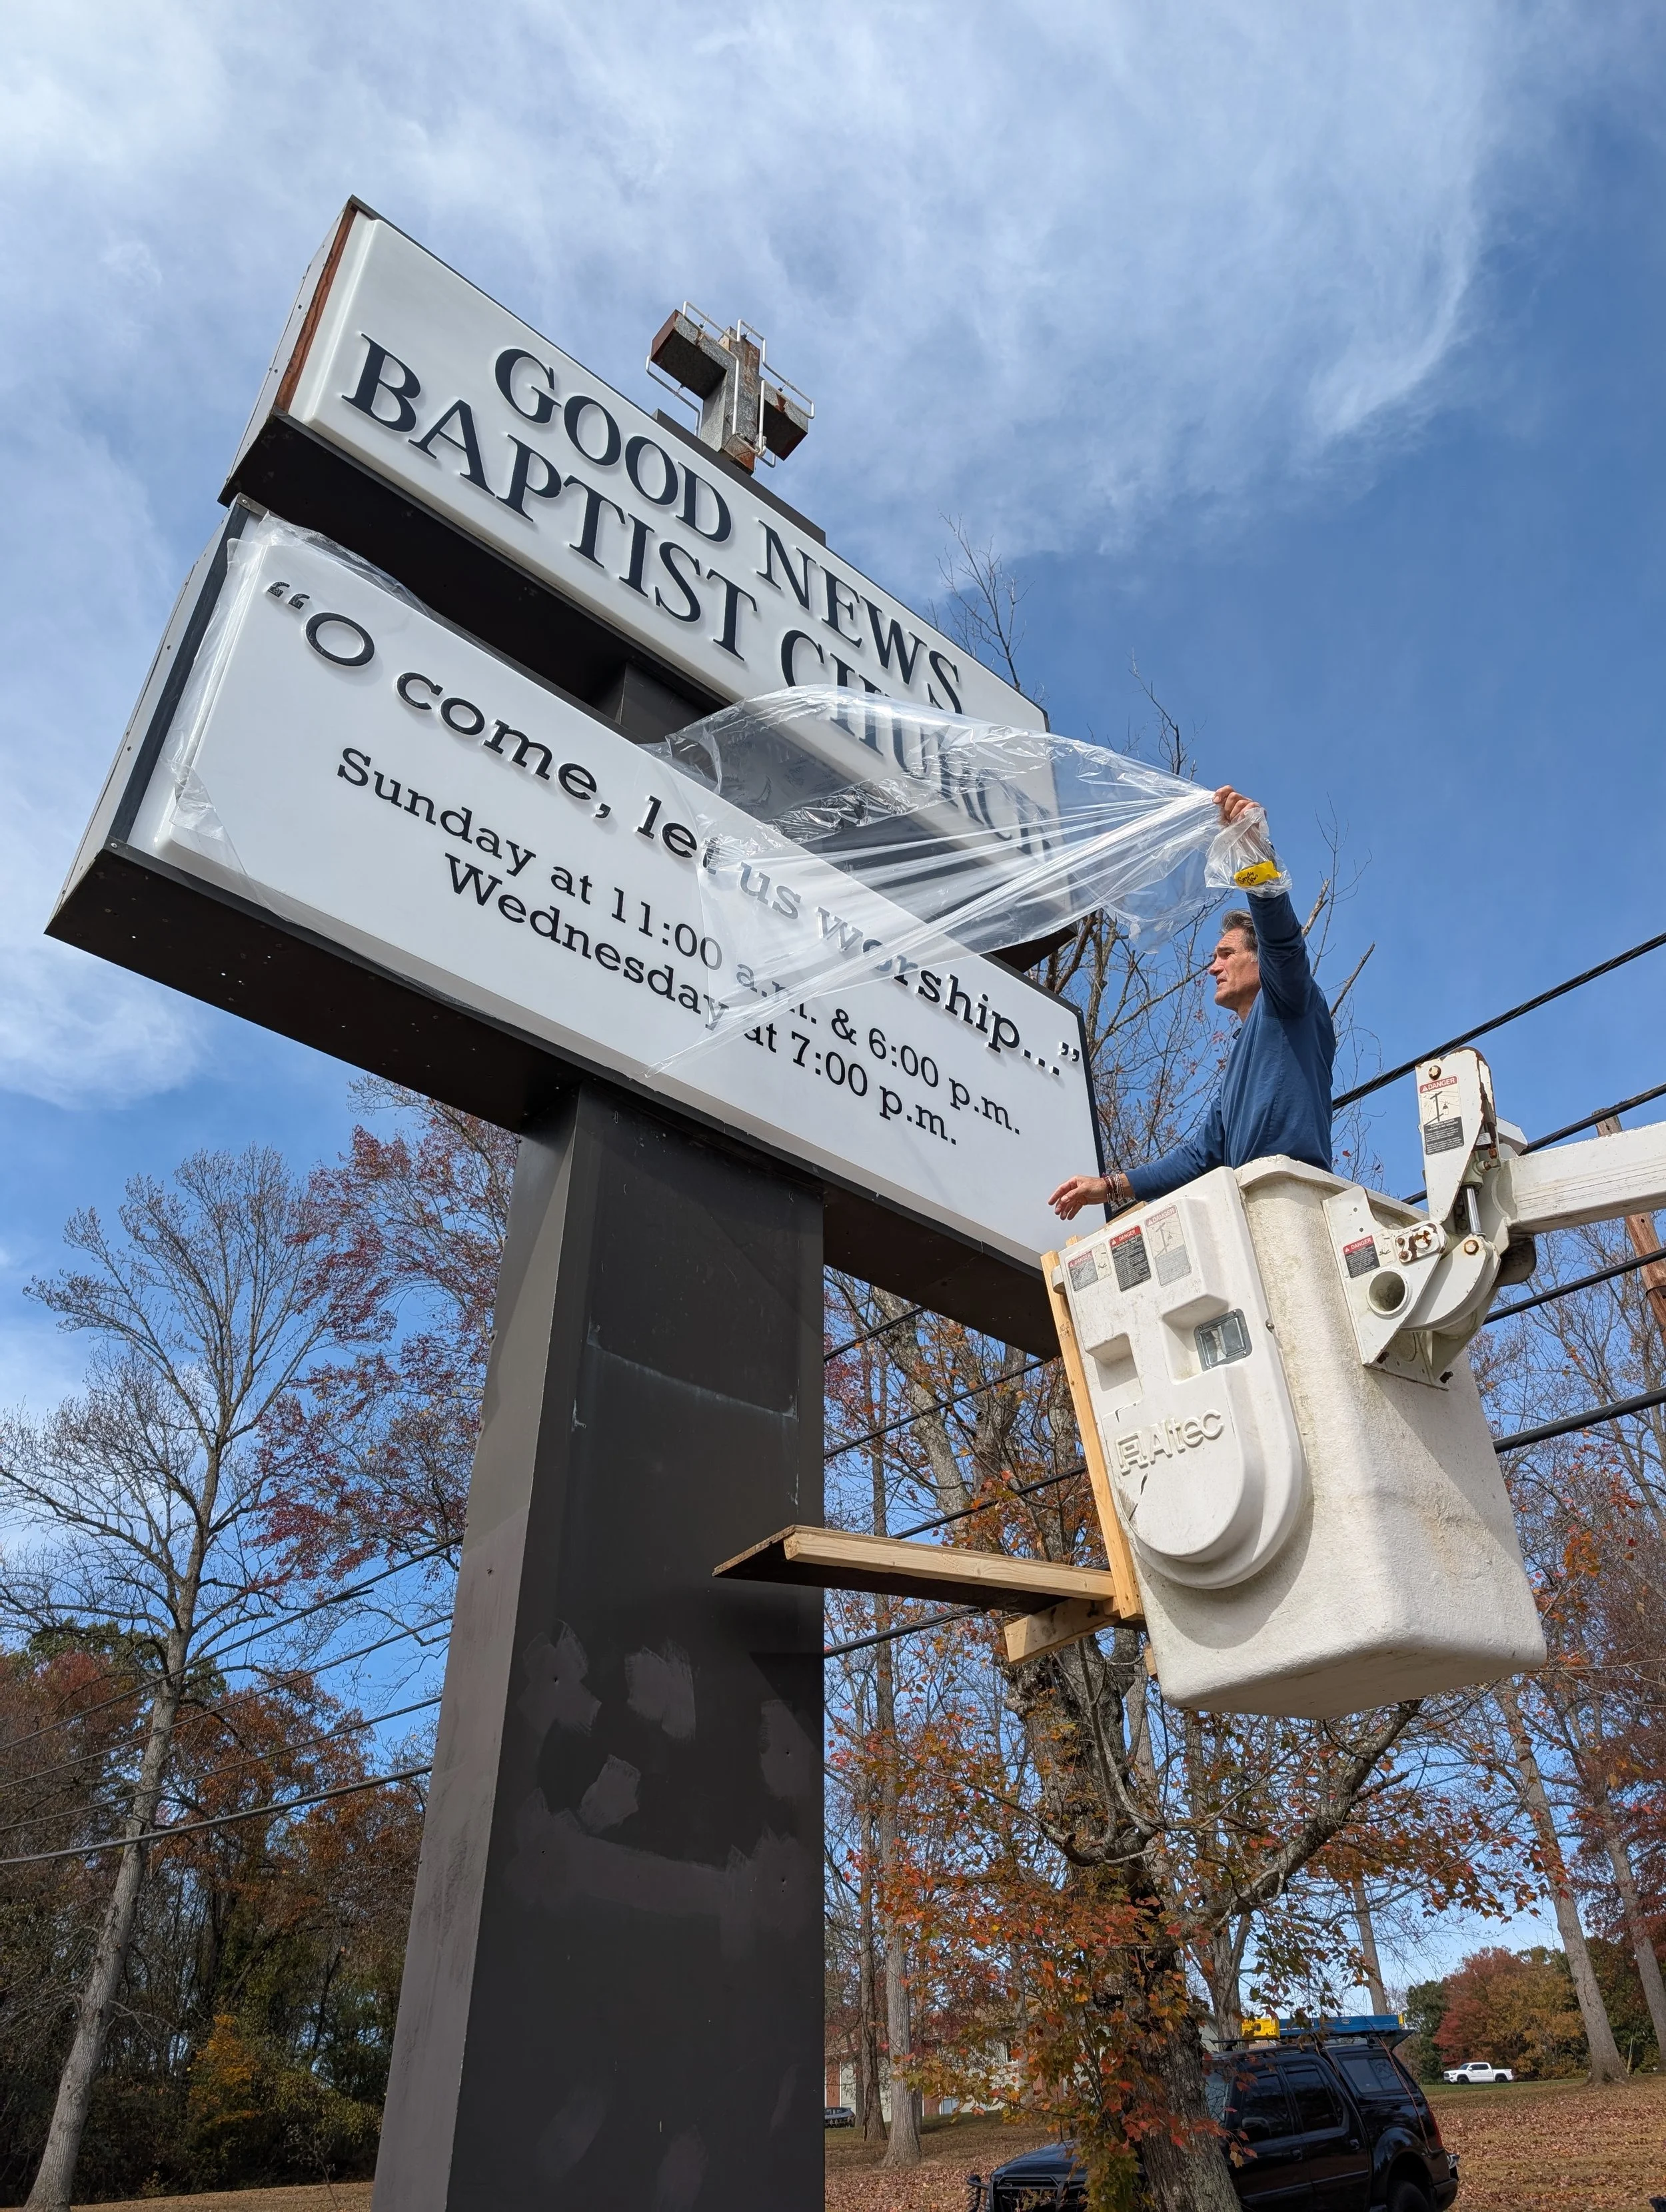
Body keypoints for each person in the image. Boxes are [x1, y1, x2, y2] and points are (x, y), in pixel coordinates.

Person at [1048, 787, 1334, 1221]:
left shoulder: (1291, 1002)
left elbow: (1281, 937)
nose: (1212, 968)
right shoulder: (1241, 1065)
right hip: (1248, 1210)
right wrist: (1108, 1187)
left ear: (1262, 964)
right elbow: (1201, 1155)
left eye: (1226, 955)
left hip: (1293, 1197)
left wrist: (1252, 858)